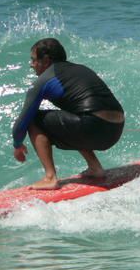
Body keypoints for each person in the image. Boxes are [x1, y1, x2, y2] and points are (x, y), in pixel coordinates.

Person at [12, 38, 125, 190]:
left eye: (33, 60)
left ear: (46, 60)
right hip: (116, 129)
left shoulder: (45, 79)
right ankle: (95, 168)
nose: (31, 64)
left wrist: (17, 145)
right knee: (74, 115)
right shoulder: (81, 69)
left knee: (34, 120)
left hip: (92, 128)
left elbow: (22, 122)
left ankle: (50, 178)